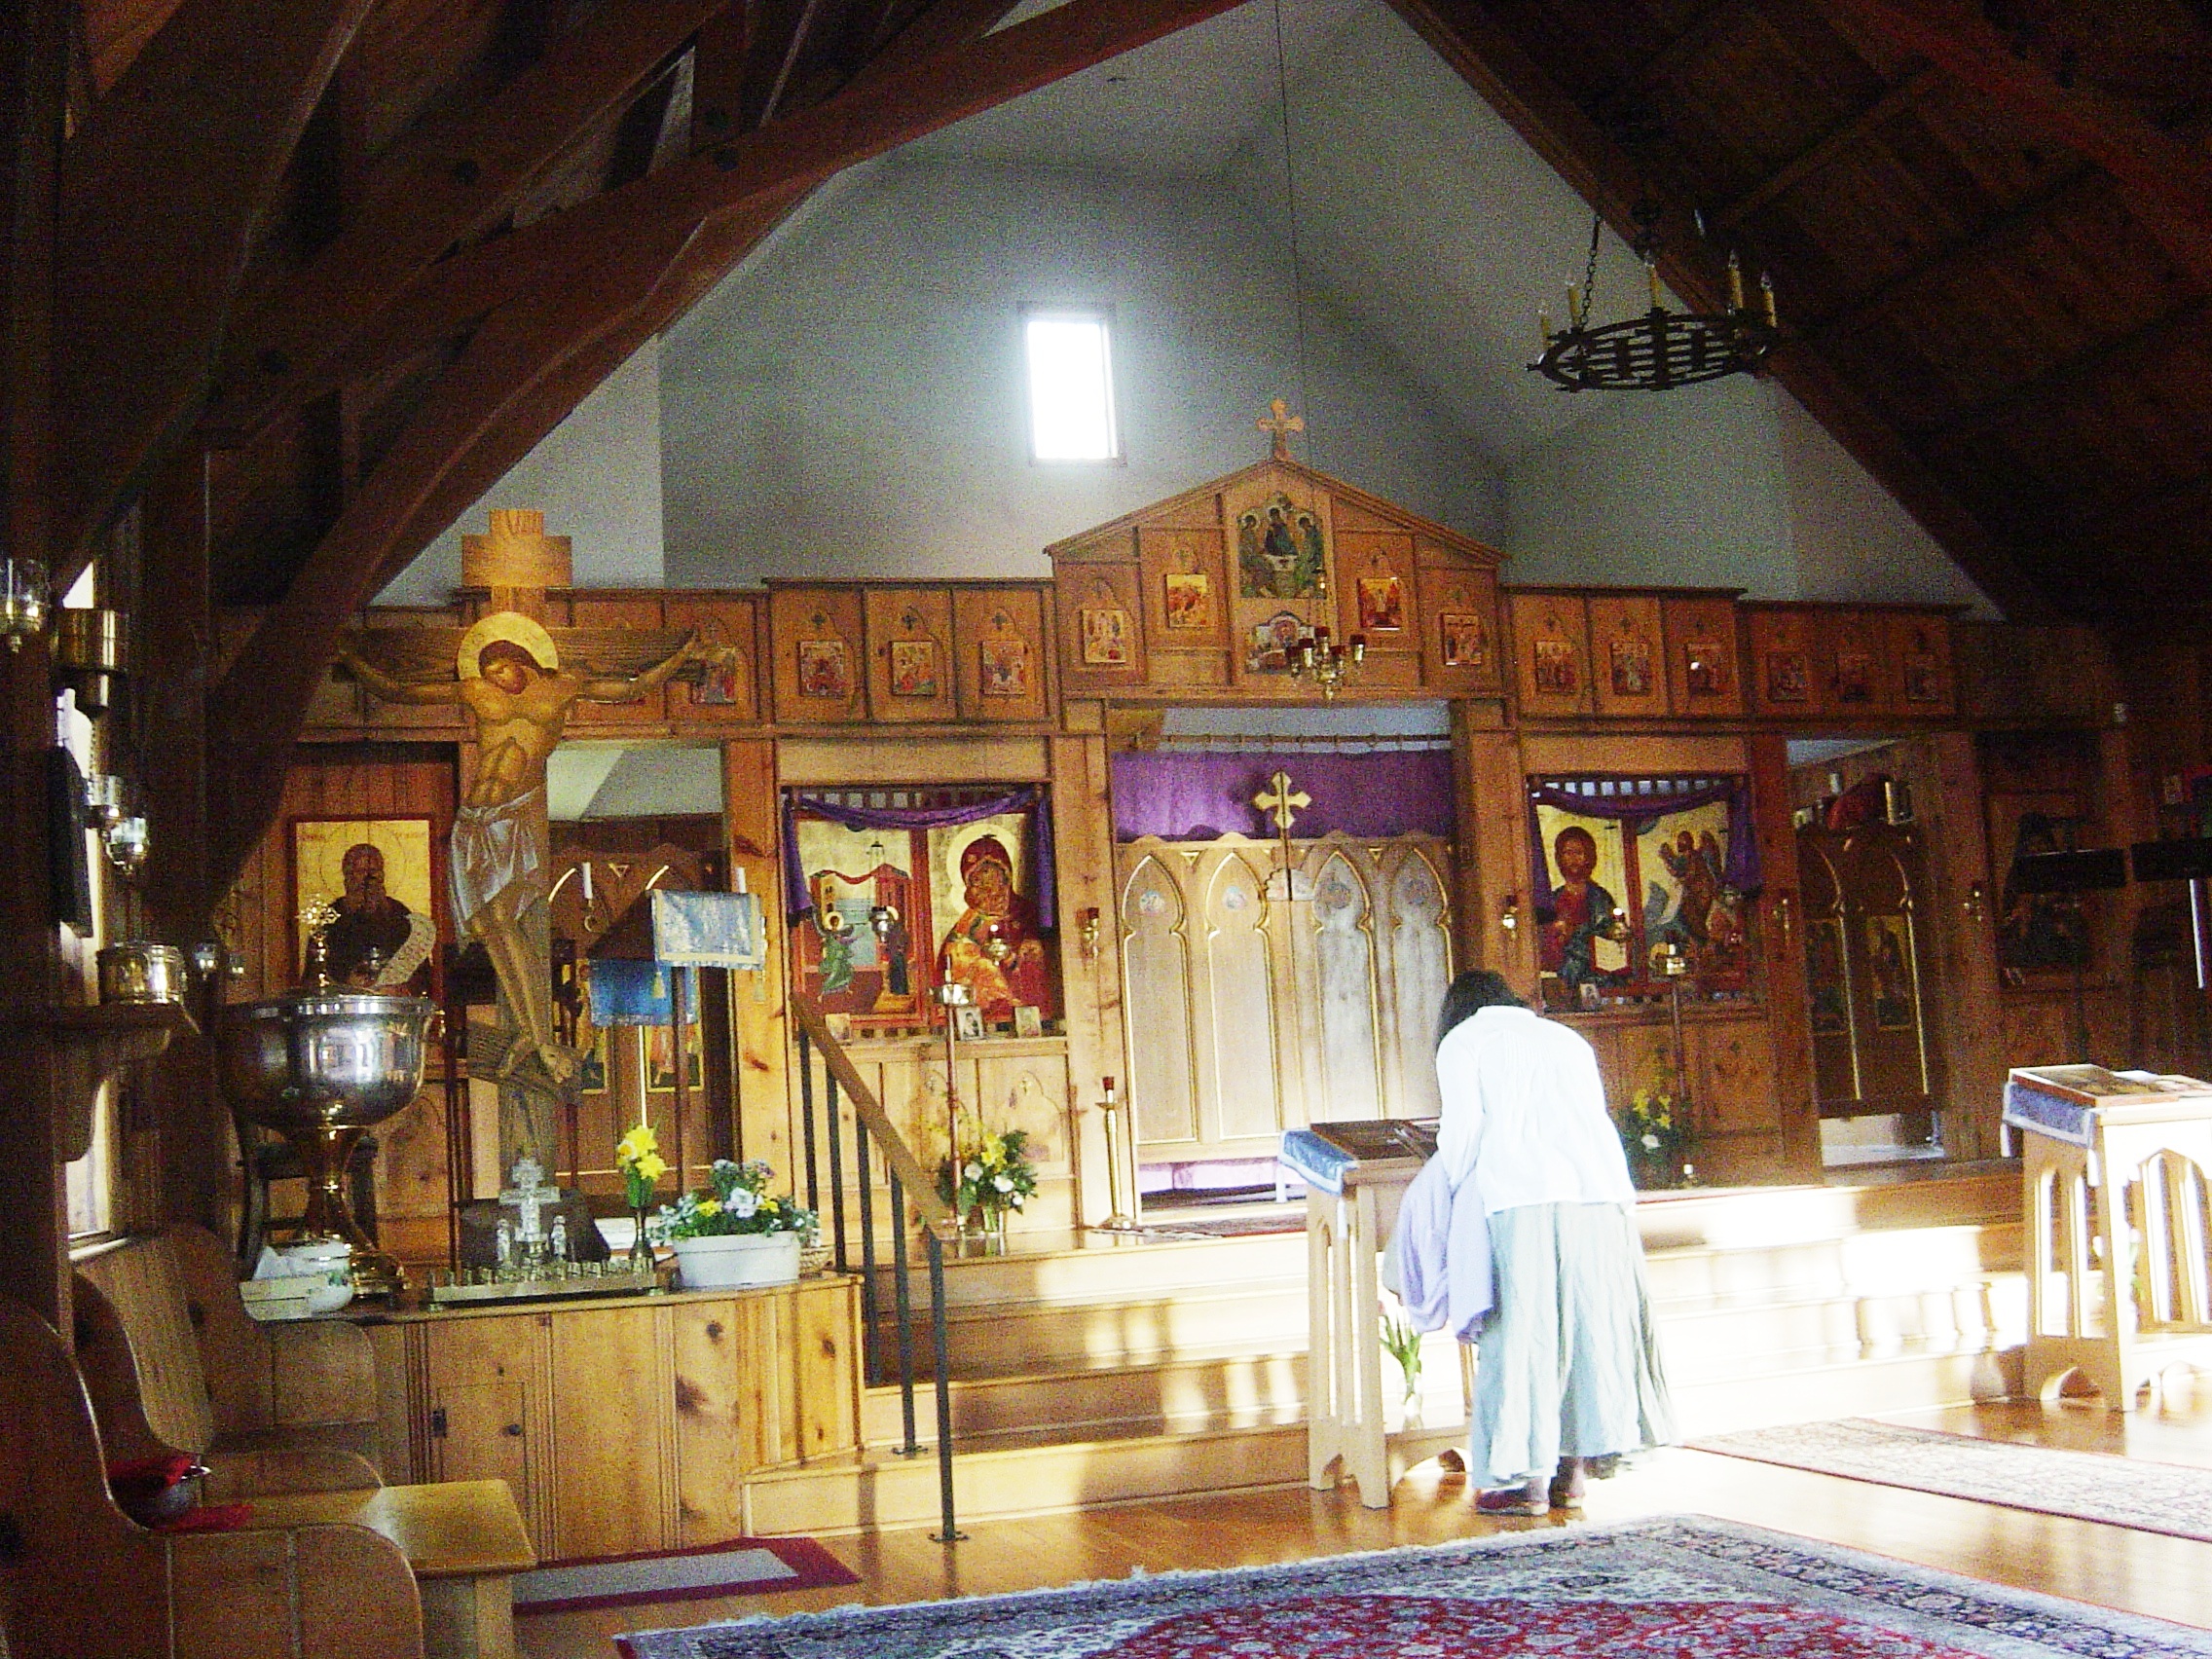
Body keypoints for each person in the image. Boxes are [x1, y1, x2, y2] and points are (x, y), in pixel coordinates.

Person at [338, 612, 696, 1080]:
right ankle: (532, 1032)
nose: (497, 679)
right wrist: (353, 660)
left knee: (507, 924)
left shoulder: (561, 687)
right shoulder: (475, 691)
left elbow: (630, 687)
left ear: (522, 658)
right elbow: (404, 692)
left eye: (502, 668)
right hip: (475, 820)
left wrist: (681, 656)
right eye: (488, 672)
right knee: (488, 928)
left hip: (513, 816)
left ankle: (536, 1033)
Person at [1431, 968, 1673, 1513]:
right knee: (1588, 1336)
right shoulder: (1566, 1038)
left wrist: (1445, 1188)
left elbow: (1464, 1134)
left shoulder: (1464, 1041)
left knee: (1522, 1336)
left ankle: (1527, 1483)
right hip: (1601, 1196)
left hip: (1523, 1196)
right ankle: (1573, 1475)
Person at [939, 834, 1050, 1020]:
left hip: (1023, 1004)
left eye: (986, 872)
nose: (982, 883)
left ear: (1004, 873)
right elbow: (951, 961)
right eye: (975, 877)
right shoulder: (970, 919)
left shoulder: (1025, 912)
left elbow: (1038, 962)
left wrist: (1012, 957)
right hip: (980, 1003)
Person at [321, 841, 436, 993]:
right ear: (348, 876)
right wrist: (346, 982)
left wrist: (401, 987)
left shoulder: (397, 912)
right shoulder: (332, 916)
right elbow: (318, 970)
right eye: (361, 871)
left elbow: (420, 968)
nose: (369, 878)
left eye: (374, 871)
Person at [1540, 825, 1621, 993]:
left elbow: (1608, 936)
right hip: (1562, 977)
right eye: (1567, 853)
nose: (1573, 859)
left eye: (1578, 853)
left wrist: (1577, 933)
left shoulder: (1599, 897)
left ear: (1588, 857)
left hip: (1595, 976)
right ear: (1559, 857)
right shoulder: (1553, 899)